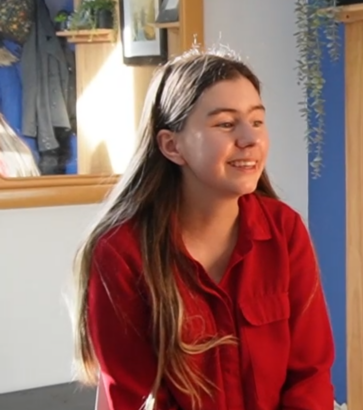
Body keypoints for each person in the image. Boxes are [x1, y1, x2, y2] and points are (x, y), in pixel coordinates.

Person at [70, 48, 335, 410]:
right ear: (172, 145)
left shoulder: (284, 229)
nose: (250, 139)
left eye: (257, 121)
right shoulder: (121, 251)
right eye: (226, 124)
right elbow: (133, 395)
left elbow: (310, 374)